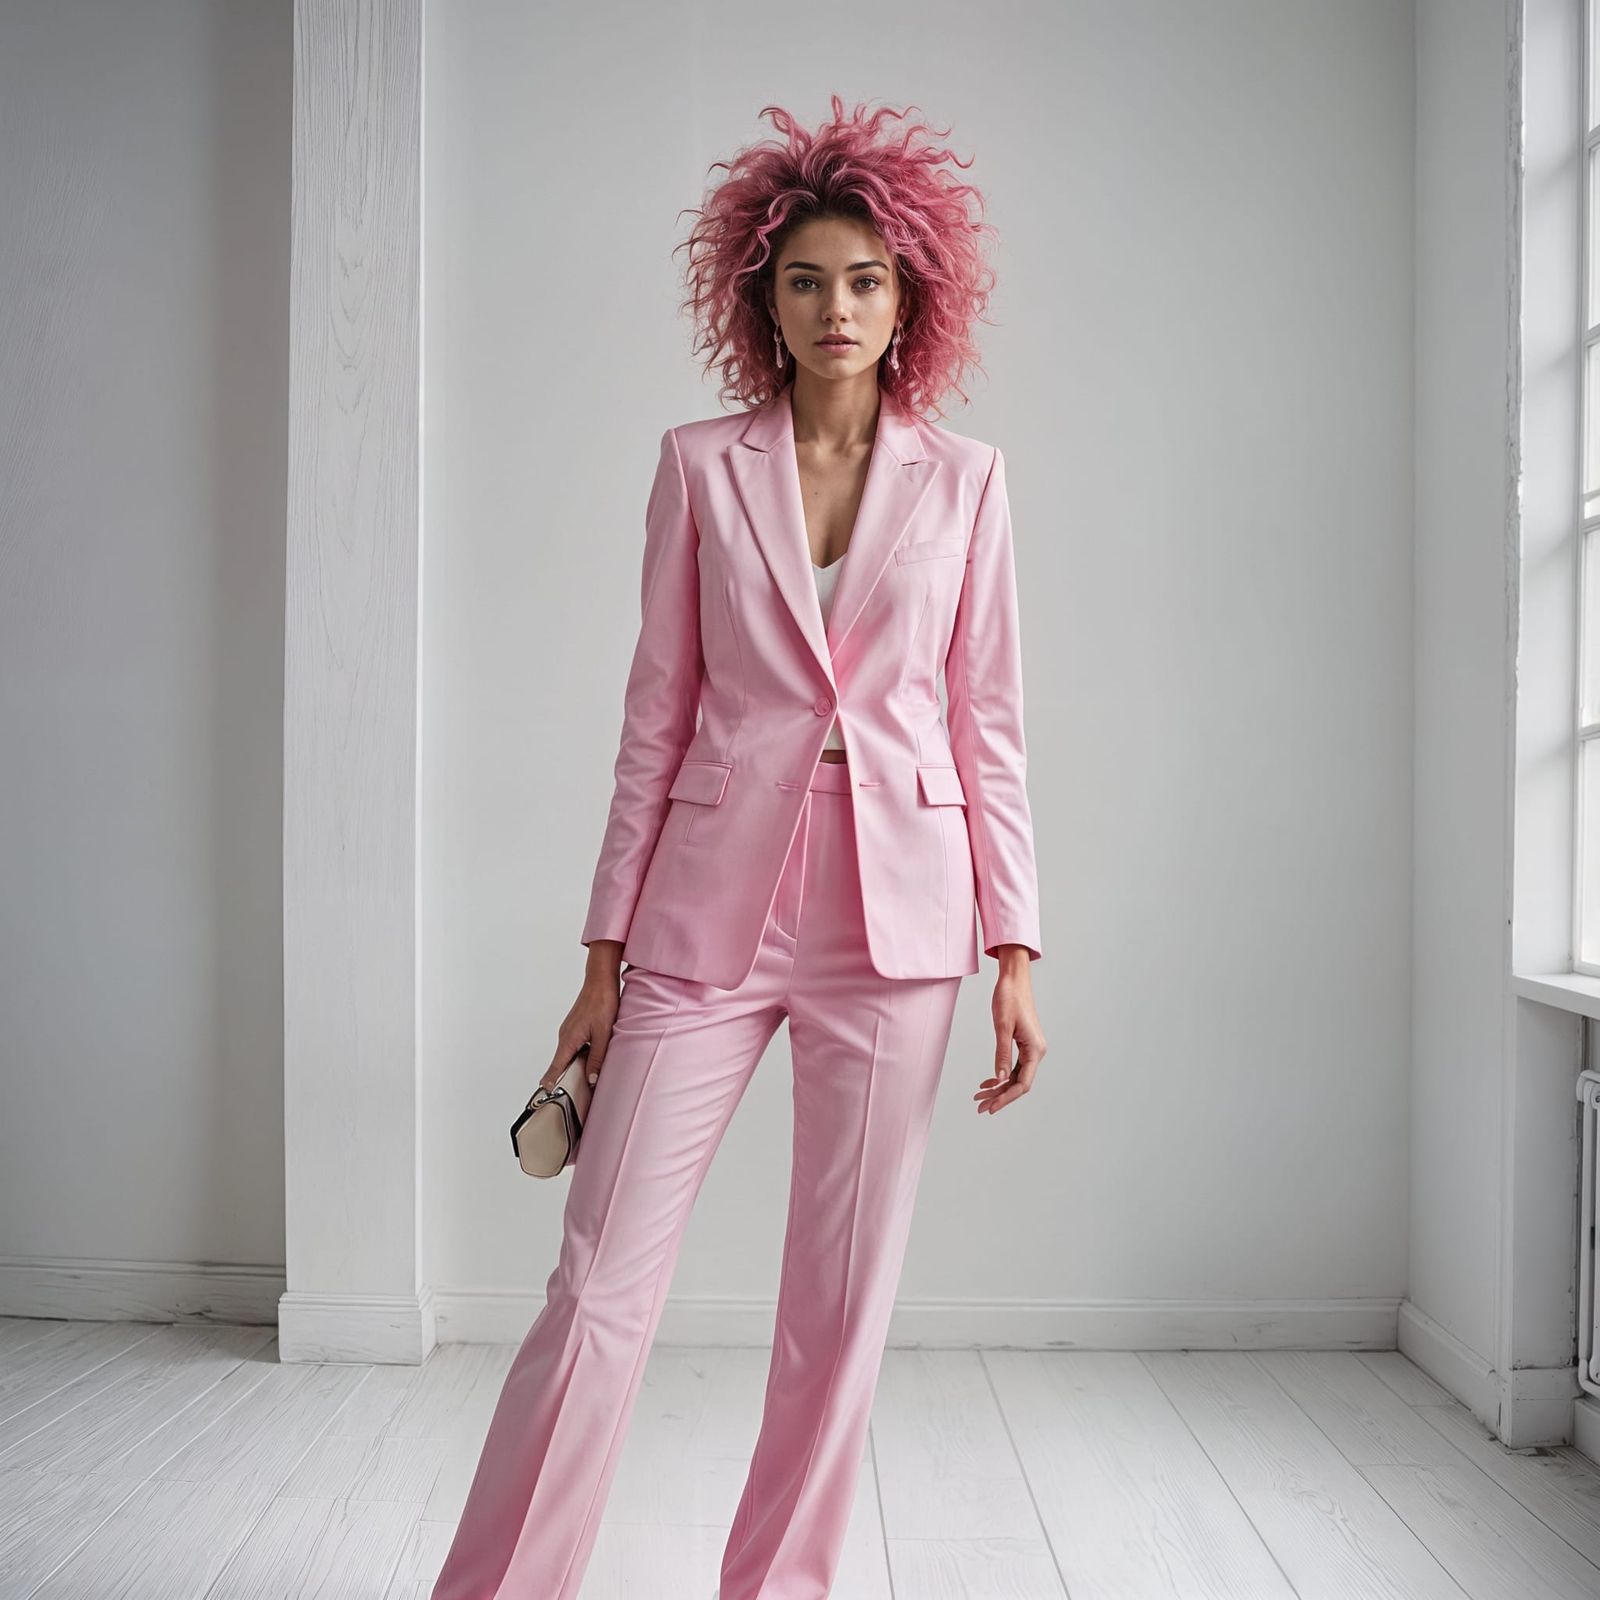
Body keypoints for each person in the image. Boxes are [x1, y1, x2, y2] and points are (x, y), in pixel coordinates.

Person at [431, 94, 1047, 1600]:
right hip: (706, 920)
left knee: (836, 1315)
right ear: (756, 295)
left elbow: (991, 726)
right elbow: (656, 718)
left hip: (901, 926)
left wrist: (1015, 953)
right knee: (597, 1287)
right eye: (805, 280)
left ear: (910, 298)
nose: (835, 309)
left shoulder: (966, 483)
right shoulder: (701, 466)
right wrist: (601, 956)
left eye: (865, 280)